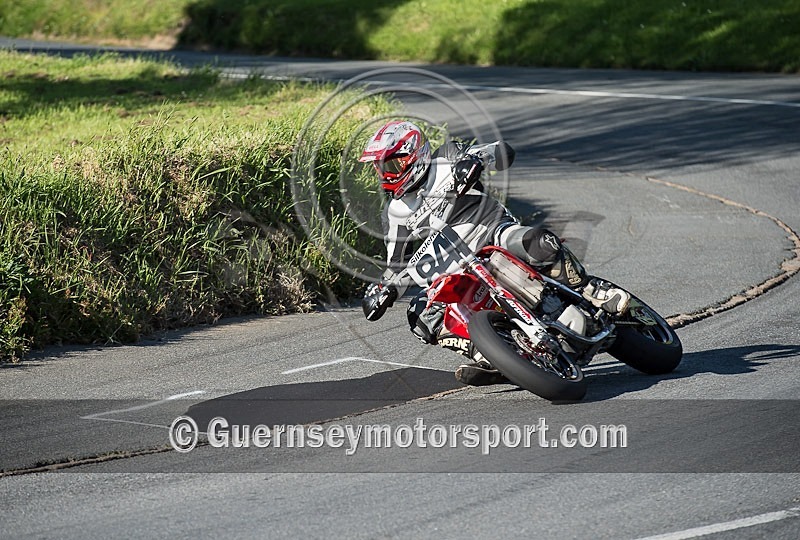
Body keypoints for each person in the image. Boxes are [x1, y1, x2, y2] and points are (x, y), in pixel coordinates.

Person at [358, 120, 630, 386]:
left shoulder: (449, 156)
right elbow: (396, 263)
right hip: (456, 267)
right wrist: (384, 290)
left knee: (538, 241)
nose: (386, 175)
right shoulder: (395, 213)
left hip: (492, 234)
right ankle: (491, 354)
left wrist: (475, 161)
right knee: (420, 315)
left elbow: (502, 150)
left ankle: (590, 289)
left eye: (391, 165)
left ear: (415, 155)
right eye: (380, 169)